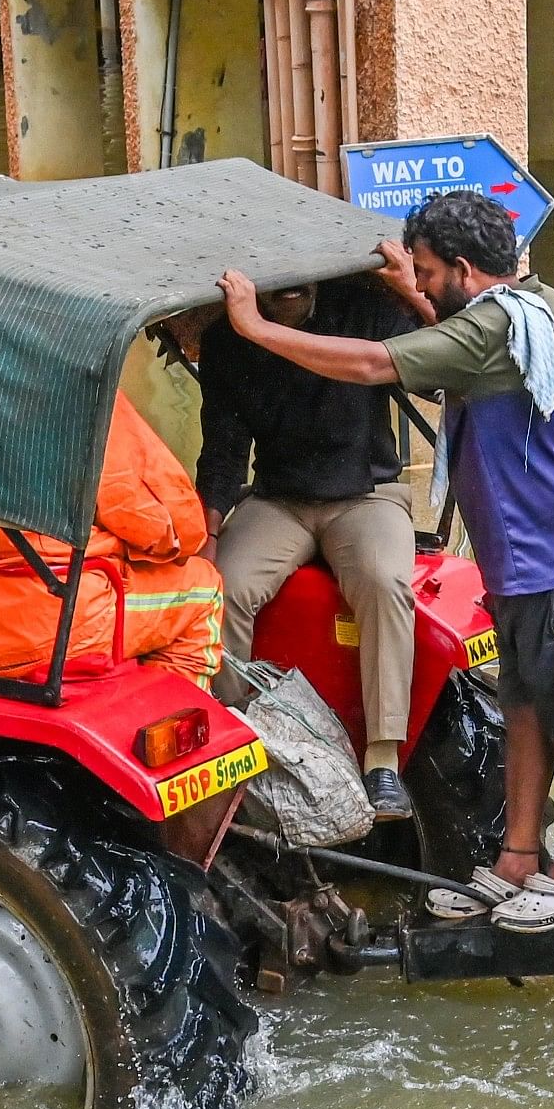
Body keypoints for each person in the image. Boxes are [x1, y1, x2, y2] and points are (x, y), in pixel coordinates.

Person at [216, 191, 554, 930]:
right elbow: (454, 341)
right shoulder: (529, 306)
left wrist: (253, 326)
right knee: (525, 709)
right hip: (520, 558)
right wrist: (407, 286)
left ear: (465, 269)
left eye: (430, 273)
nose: (423, 286)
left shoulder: (496, 326)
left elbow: (375, 364)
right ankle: (516, 860)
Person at [196, 269, 424, 818]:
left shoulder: (364, 308)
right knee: (221, 587)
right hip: (279, 499)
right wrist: (205, 541)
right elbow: (223, 450)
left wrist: (410, 287)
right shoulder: (227, 339)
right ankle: (239, 736)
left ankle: (383, 759)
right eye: (276, 283)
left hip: (366, 495)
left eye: (300, 282)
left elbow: (439, 366)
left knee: (386, 582)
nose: (290, 290)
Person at [0, 392, 223, 684]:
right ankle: (163, 729)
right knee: (204, 587)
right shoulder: (76, 394)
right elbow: (173, 527)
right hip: (61, 625)